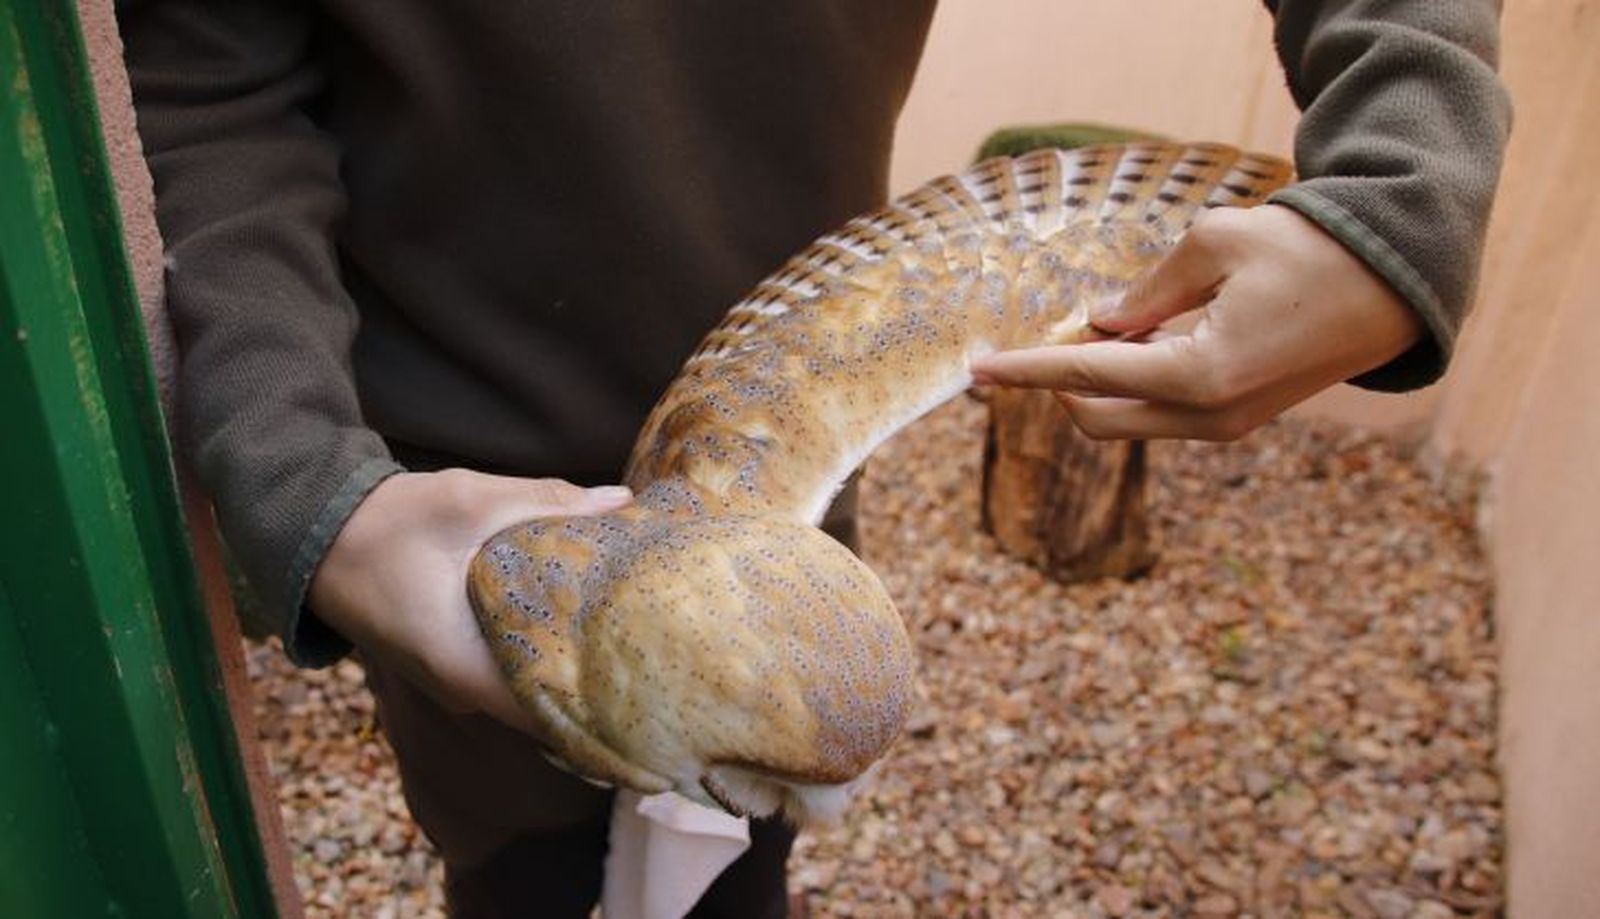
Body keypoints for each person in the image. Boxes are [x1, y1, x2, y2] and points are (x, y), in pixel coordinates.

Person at [118, 1, 1510, 916]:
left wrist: (1402, 176)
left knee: (752, 846)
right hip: (464, 504)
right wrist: (319, 495)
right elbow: (196, 89)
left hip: (789, 434)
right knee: (528, 871)